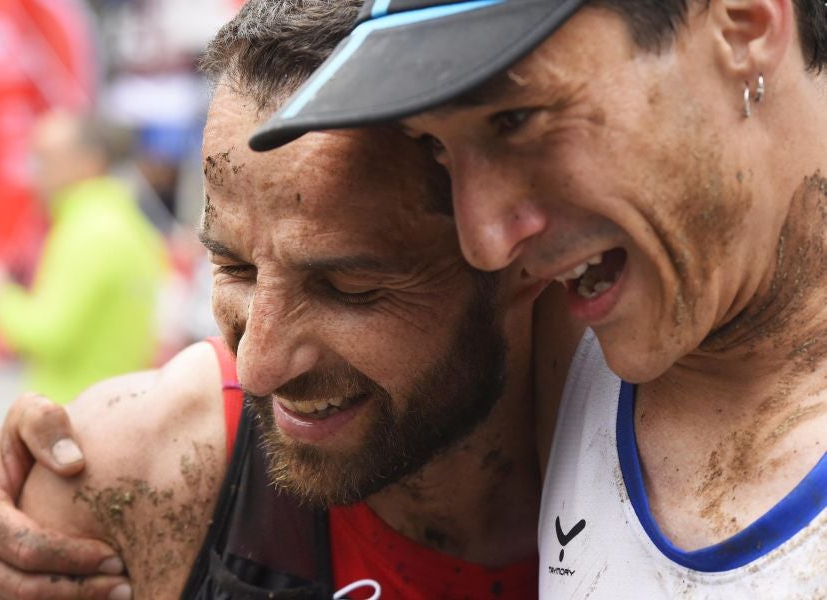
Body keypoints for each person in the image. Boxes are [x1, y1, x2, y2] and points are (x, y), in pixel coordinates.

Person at [0, 3, 544, 598]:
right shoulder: (141, 473)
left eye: (348, 289)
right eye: (234, 268)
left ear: (527, 252)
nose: (258, 367)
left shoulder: (635, 433)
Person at [246, 0, 827, 597]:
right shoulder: (566, 326)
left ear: (744, 26)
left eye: (515, 120)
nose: (486, 244)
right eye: (438, 147)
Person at [0, 110, 168, 404]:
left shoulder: (89, 231)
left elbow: (48, 334)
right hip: (112, 408)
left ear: (90, 162)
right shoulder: (124, 219)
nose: (34, 170)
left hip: (69, 414)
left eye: (45, 157)